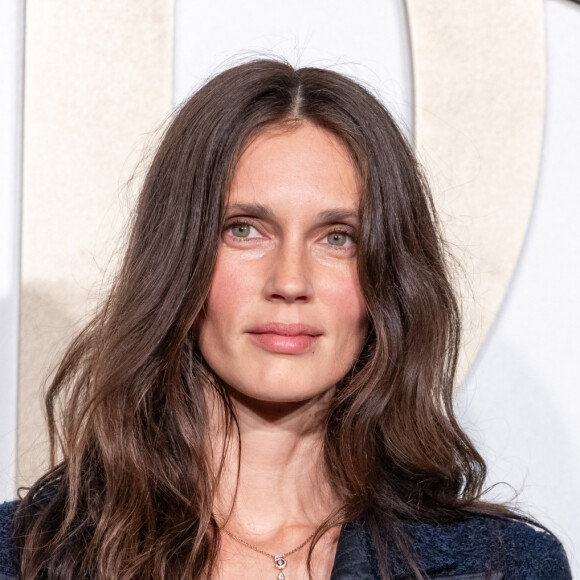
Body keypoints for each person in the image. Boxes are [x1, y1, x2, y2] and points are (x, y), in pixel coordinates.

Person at [0, 58, 572, 580]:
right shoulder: (23, 555)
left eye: (338, 238)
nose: (290, 282)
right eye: (244, 229)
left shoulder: (505, 564)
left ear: (386, 281)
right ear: (179, 258)